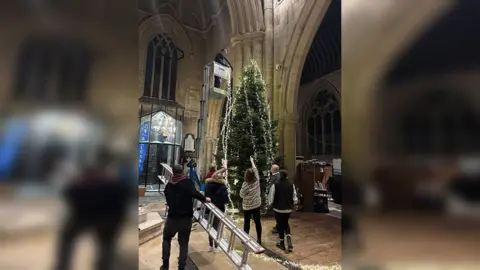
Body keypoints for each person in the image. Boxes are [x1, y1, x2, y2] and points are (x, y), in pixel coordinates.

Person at [54, 147, 132, 270]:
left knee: (68, 237)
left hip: (86, 216)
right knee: (106, 246)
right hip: (106, 218)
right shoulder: (117, 178)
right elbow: (124, 198)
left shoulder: (89, 174)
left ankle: (62, 266)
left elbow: (70, 192)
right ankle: (102, 265)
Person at [161, 164, 211, 270]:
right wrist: (205, 198)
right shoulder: (188, 183)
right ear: (182, 172)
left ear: (173, 173)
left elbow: (166, 193)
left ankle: (165, 265)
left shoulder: (170, 184)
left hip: (172, 218)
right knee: (183, 244)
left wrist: (171, 204)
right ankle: (181, 267)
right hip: (185, 219)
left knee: (166, 238)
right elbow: (195, 193)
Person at [268, 169, 298, 252]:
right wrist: (295, 203)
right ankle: (289, 238)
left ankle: (281, 242)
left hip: (278, 209)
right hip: (288, 209)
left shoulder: (275, 185)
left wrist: (270, 204)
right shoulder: (291, 185)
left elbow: (271, 197)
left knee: (280, 224)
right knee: (286, 223)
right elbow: (294, 196)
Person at [204, 159, 229, 252]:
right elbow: (225, 200)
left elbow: (206, 196)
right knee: (217, 227)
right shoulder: (223, 186)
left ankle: (210, 245)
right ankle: (216, 245)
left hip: (210, 208)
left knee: (210, 226)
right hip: (219, 209)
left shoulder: (208, 185)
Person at [239, 156, 263, 245]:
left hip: (247, 207)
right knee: (257, 222)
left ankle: (245, 238)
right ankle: (259, 238)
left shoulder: (245, 185)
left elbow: (241, 195)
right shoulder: (257, 180)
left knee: (247, 222)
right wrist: (252, 161)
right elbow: (255, 169)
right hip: (257, 205)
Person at [269, 164, 281, 234]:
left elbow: (272, 187)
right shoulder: (279, 175)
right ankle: (278, 225)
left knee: (277, 214)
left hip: (276, 197)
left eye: (271, 168)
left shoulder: (275, 177)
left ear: (273, 170)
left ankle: (278, 227)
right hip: (278, 197)